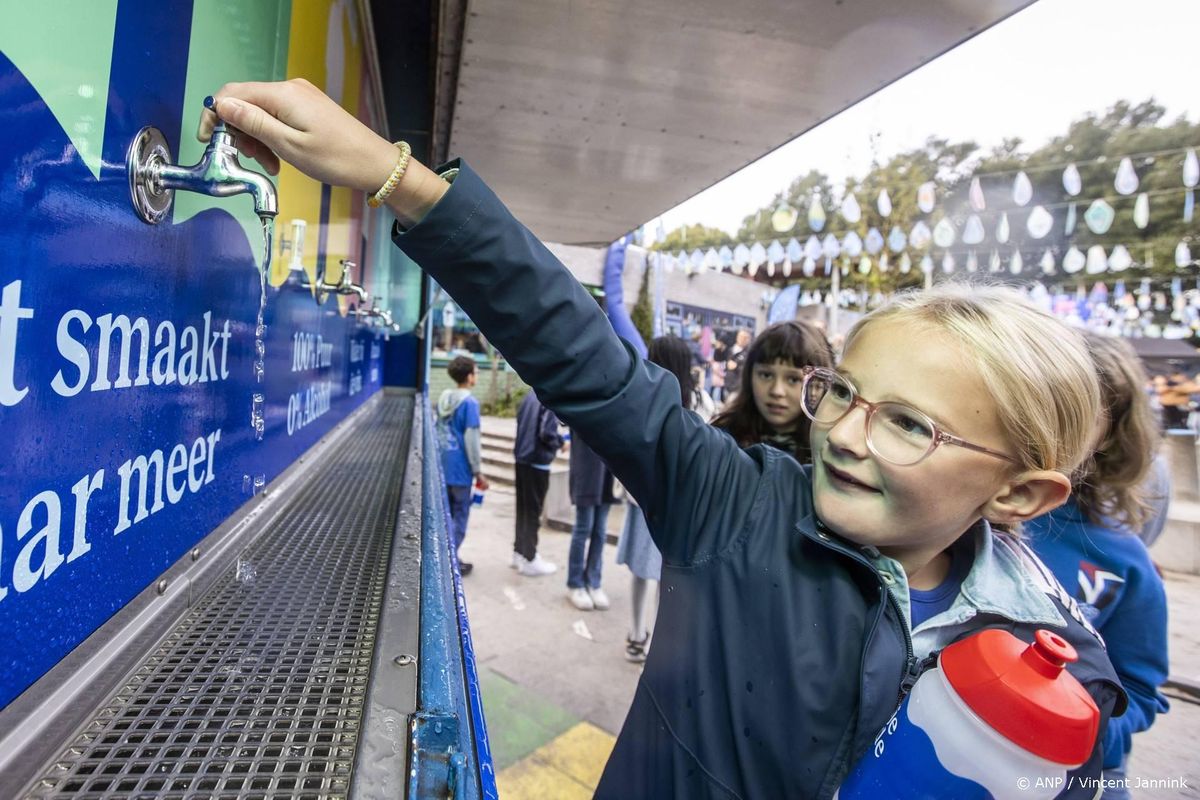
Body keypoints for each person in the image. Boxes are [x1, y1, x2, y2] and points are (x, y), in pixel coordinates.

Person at [200, 81, 1125, 799]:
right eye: (844, 393)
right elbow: (588, 361)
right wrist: (394, 176)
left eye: (911, 425)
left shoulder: (1059, 670)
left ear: (1021, 492)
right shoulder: (741, 505)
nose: (845, 434)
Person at [1026, 334, 1170, 799]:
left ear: (1109, 432)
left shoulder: (1123, 561)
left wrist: (1081, 734)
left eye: (1080, 407)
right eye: (1044, 397)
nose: (1053, 420)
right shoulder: (962, 515)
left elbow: (1139, 692)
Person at [616, 335, 704, 662]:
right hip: (680, 504)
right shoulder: (699, 404)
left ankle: (637, 635)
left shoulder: (642, 397)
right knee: (667, 576)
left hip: (643, 499)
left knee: (642, 572)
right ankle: (655, 644)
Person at [710, 320, 834, 463]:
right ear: (749, 376)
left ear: (818, 385)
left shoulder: (831, 453)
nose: (777, 391)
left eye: (793, 379)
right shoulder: (720, 442)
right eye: (766, 375)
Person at [436, 355, 487, 576]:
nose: (477, 376)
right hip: (461, 470)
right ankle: (449, 562)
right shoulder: (470, 403)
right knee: (460, 516)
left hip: (442, 465)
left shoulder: (444, 398)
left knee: (444, 517)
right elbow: (471, 439)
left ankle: (444, 557)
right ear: (469, 377)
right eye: (476, 372)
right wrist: (478, 470)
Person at [512, 389, 563, 576]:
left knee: (522, 510)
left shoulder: (529, 396)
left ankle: (519, 552)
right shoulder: (548, 397)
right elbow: (547, 432)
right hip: (537, 462)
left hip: (522, 459)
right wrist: (560, 443)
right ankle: (530, 558)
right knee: (533, 512)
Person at [566, 429, 617, 610]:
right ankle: (575, 583)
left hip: (609, 470)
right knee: (583, 528)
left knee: (600, 530)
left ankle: (593, 582)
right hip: (586, 468)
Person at [723, 328, 751, 395]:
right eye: (740, 336)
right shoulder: (731, 349)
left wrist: (736, 367)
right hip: (728, 384)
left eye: (745, 337)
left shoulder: (750, 353)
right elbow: (726, 364)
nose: (742, 339)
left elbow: (749, 370)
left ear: (748, 339)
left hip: (739, 388)